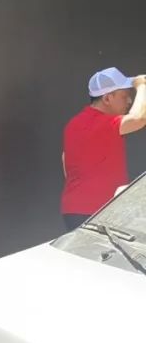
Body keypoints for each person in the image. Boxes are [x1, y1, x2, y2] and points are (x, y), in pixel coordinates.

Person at [61, 67, 146, 230]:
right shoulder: (103, 123)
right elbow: (139, 118)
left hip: (73, 210)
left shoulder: (74, 123)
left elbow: (66, 159)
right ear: (107, 98)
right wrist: (141, 85)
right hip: (98, 211)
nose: (129, 101)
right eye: (124, 96)